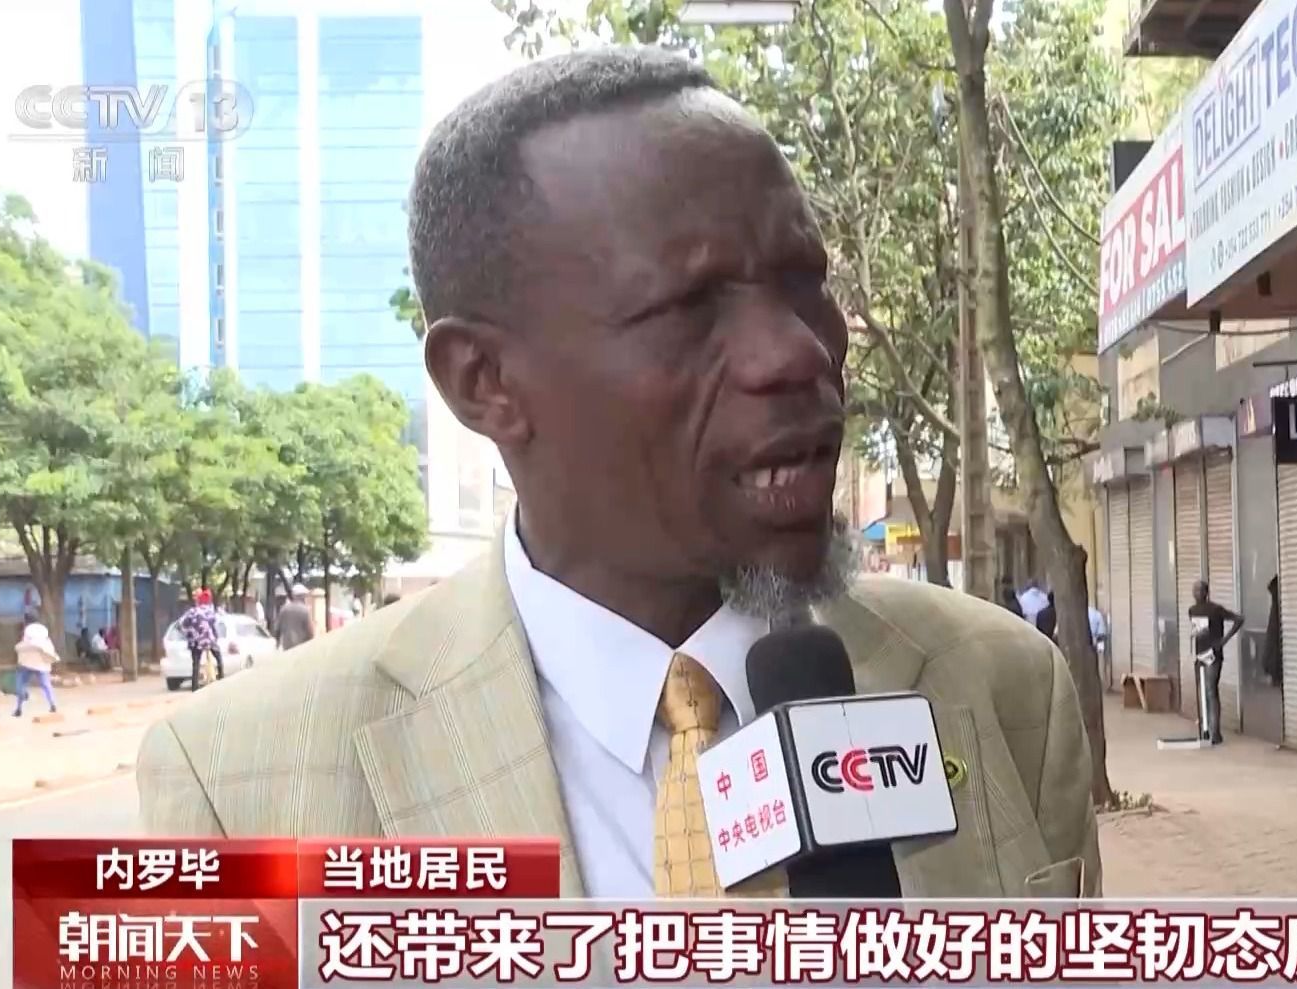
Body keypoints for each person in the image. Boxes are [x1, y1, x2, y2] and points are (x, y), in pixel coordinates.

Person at [137, 48, 1100, 900]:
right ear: (485, 381)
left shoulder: (1005, 690)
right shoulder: (236, 783)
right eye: (689, 307)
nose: (799, 352)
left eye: (803, 280)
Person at [1188, 581, 1241, 744]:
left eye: (1199, 590)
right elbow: (1197, 632)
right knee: (1202, 691)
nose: (1196, 593)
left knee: (1211, 690)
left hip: (1213, 655)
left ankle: (1215, 732)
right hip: (1199, 655)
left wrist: (1224, 640)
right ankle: (1204, 728)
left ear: (1206, 592)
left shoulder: (1215, 609)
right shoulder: (1192, 610)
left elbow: (1239, 619)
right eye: (1194, 590)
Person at [13, 612, 60, 717]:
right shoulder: (43, 629)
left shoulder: (27, 630)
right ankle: (52, 704)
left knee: (21, 683)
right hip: (42, 662)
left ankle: (19, 708)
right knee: (46, 684)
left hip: (28, 662)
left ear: (26, 621)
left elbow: (26, 645)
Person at [178, 590, 221, 692]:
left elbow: (181, 624)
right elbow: (215, 626)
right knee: (219, 659)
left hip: (195, 642)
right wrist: (215, 638)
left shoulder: (192, 612)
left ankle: (195, 688)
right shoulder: (211, 612)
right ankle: (222, 679)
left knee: (196, 665)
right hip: (209, 640)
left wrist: (189, 633)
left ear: (198, 600)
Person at [275, 584, 317, 652]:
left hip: (287, 648)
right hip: (301, 648)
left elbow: (277, 630)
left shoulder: (284, 609)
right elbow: (310, 632)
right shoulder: (305, 610)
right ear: (303, 596)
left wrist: (277, 644)